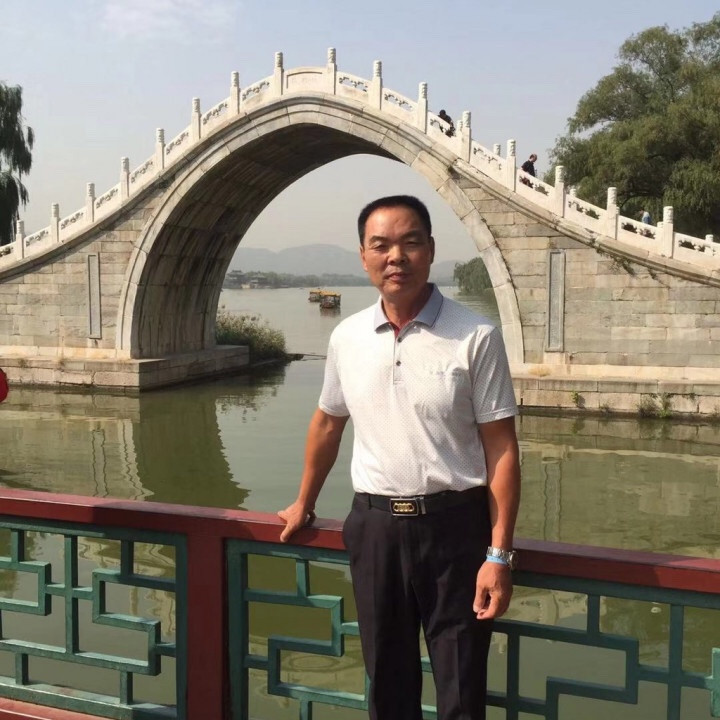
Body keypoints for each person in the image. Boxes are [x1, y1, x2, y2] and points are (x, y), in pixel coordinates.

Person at [279, 195, 521, 720]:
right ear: (363, 256)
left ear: (430, 250)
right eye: (381, 245)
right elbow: (328, 423)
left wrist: (499, 554)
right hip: (375, 529)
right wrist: (304, 501)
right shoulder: (347, 337)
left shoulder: (475, 336)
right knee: (386, 684)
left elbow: (502, 448)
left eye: (410, 243)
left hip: (456, 530)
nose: (396, 257)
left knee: (461, 689)